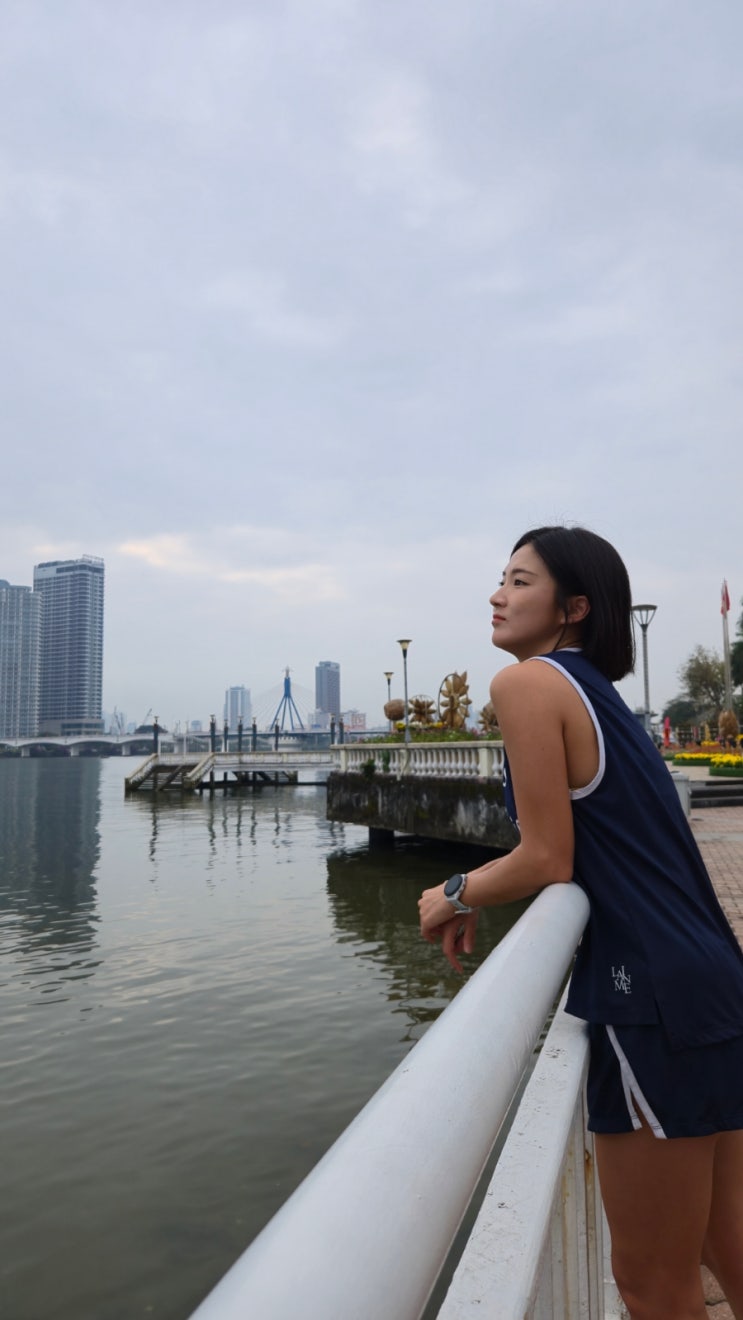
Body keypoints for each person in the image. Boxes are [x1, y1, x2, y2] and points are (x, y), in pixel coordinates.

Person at [418, 525, 743, 1320]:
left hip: (649, 995)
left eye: (519, 581)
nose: (497, 595)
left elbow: (545, 857)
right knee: (728, 1243)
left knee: (651, 1283)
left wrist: (454, 892)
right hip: (708, 975)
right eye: (501, 578)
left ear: (573, 607)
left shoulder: (527, 684)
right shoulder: (599, 695)